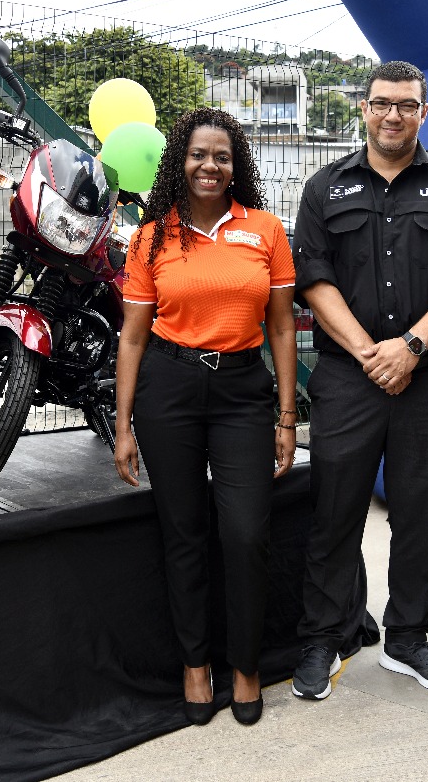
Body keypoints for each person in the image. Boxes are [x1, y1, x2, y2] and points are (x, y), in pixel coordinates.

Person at [290, 61, 428, 699]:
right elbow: (314, 279)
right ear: (365, 108)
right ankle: (325, 636)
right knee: (334, 513)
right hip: (348, 380)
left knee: (419, 515)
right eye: (381, 104)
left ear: (423, 112)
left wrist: (410, 348)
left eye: (406, 105)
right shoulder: (325, 187)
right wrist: (372, 354)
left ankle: (408, 638)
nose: (393, 116)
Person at [113, 107, 297, 727]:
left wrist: (287, 416)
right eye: (198, 155)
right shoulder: (151, 238)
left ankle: (245, 666)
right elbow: (133, 337)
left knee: (245, 534)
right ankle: (196, 666)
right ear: (180, 162)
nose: (209, 166)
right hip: (169, 389)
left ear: (235, 165)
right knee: (183, 532)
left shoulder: (264, 230)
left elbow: (282, 328)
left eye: (221, 156)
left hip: (243, 392)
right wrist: (123, 425)